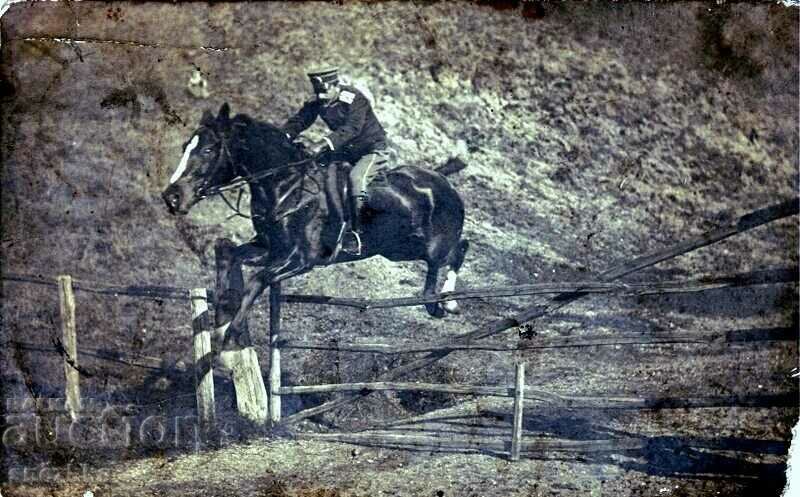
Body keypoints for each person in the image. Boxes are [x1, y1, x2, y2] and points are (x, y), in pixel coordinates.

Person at [282, 66, 388, 256]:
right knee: (316, 175)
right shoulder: (319, 100)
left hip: (371, 149)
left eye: (325, 92)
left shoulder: (355, 98)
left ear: (335, 86)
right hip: (343, 151)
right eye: (318, 93)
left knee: (357, 180)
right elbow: (300, 120)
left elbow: (352, 128)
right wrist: (283, 136)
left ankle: (356, 233)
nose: (321, 98)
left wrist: (322, 143)